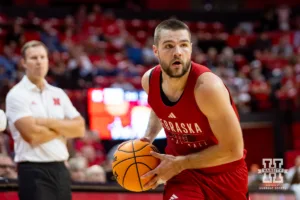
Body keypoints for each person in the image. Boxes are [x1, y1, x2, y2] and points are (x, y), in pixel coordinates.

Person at [139, 19, 248, 200]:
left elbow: (233, 151)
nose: (177, 52)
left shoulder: (207, 88)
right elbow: (159, 107)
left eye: (183, 45)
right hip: (182, 175)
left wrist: (180, 164)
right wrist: (148, 137)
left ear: (190, 48)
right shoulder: (149, 81)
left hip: (224, 174)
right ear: (155, 51)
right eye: (168, 46)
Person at [5, 40, 85, 200]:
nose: (39, 62)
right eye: (34, 58)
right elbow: (32, 135)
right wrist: (63, 130)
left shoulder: (58, 93)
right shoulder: (16, 95)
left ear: (48, 61)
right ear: (23, 63)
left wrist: (45, 123)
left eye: (43, 57)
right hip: (33, 171)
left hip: (61, 169)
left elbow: (80, 128)